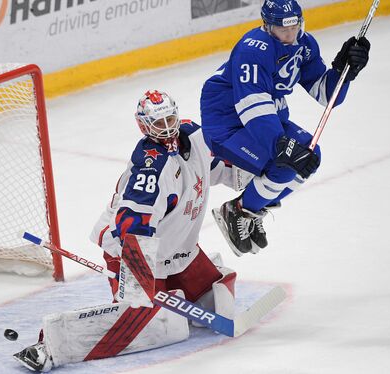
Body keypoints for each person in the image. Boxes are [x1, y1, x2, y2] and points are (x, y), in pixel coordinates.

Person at [13, 90, 251, 372]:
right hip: (133, 252)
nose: (167, 127)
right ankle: (52, 343)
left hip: (178, 250)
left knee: (217, 303)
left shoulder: (195, 137)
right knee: (153, 324)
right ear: (144, 127)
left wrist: (260, 171)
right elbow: (130, 227)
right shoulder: (149, 169)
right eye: (158, 123)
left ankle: (171, 291)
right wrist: (138, 277)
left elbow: (222, 166)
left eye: (169, 119)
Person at [200, 0, 371, 255]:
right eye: (283, 29)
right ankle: (238, 211)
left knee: (310, 156)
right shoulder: (253, 49)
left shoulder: (305, 44)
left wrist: (344, 70)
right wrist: (278, 144)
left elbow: (325, 93)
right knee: (284, 161)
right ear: (267, 26)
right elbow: (252, 104)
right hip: (226, 118)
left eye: (295, 27)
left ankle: (250, 208)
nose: (290, 35)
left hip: (265, 114)